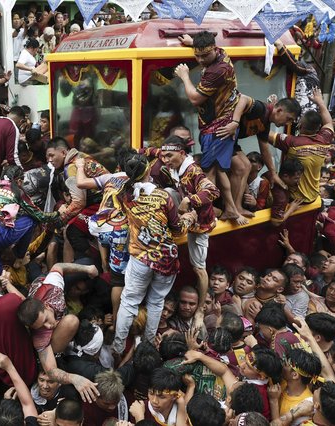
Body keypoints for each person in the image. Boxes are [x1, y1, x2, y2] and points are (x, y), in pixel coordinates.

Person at [111, 154, 196, 356]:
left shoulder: (123, 193)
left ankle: (118, 348)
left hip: (140, 257)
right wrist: (189, 218)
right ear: (148, 171)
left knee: (129, 301)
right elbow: (177, 230)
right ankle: (148, 346)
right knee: (156, 302)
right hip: (165, 259)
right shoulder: (163, 197)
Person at [175, 31, 241, 224]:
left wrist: (185, 76)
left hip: (217, 127)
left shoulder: (217, 70)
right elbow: (203, 48)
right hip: (222, 122)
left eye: (205, 55)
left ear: (214, 49)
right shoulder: (221, 52)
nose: (201, 60)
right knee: (222, 168)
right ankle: (230, 208)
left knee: (209, 172)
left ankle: (207, 214)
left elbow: (195, 98)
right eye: (197, 55)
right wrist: (192, 43)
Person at [160, 133, 220, 321]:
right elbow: (154, 152)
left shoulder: (193, 170)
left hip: (200, 224)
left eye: (169, 156)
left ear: (182, 153)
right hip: (186, 214)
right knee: (167, 192)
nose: (165, 160)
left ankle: (201, 310)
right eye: (163, 156)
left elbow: (213, 191)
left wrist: (189, 199)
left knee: (198, 269)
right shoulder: (175, 165)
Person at [267, 87, 333, 204]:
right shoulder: (324, 140)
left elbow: (265, 133)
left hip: (295, 199)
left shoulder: (292, 143)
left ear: (300, 125)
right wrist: (320, 102)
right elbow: (328, 122)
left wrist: (271, 112)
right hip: (313, 197)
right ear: (318, 128)